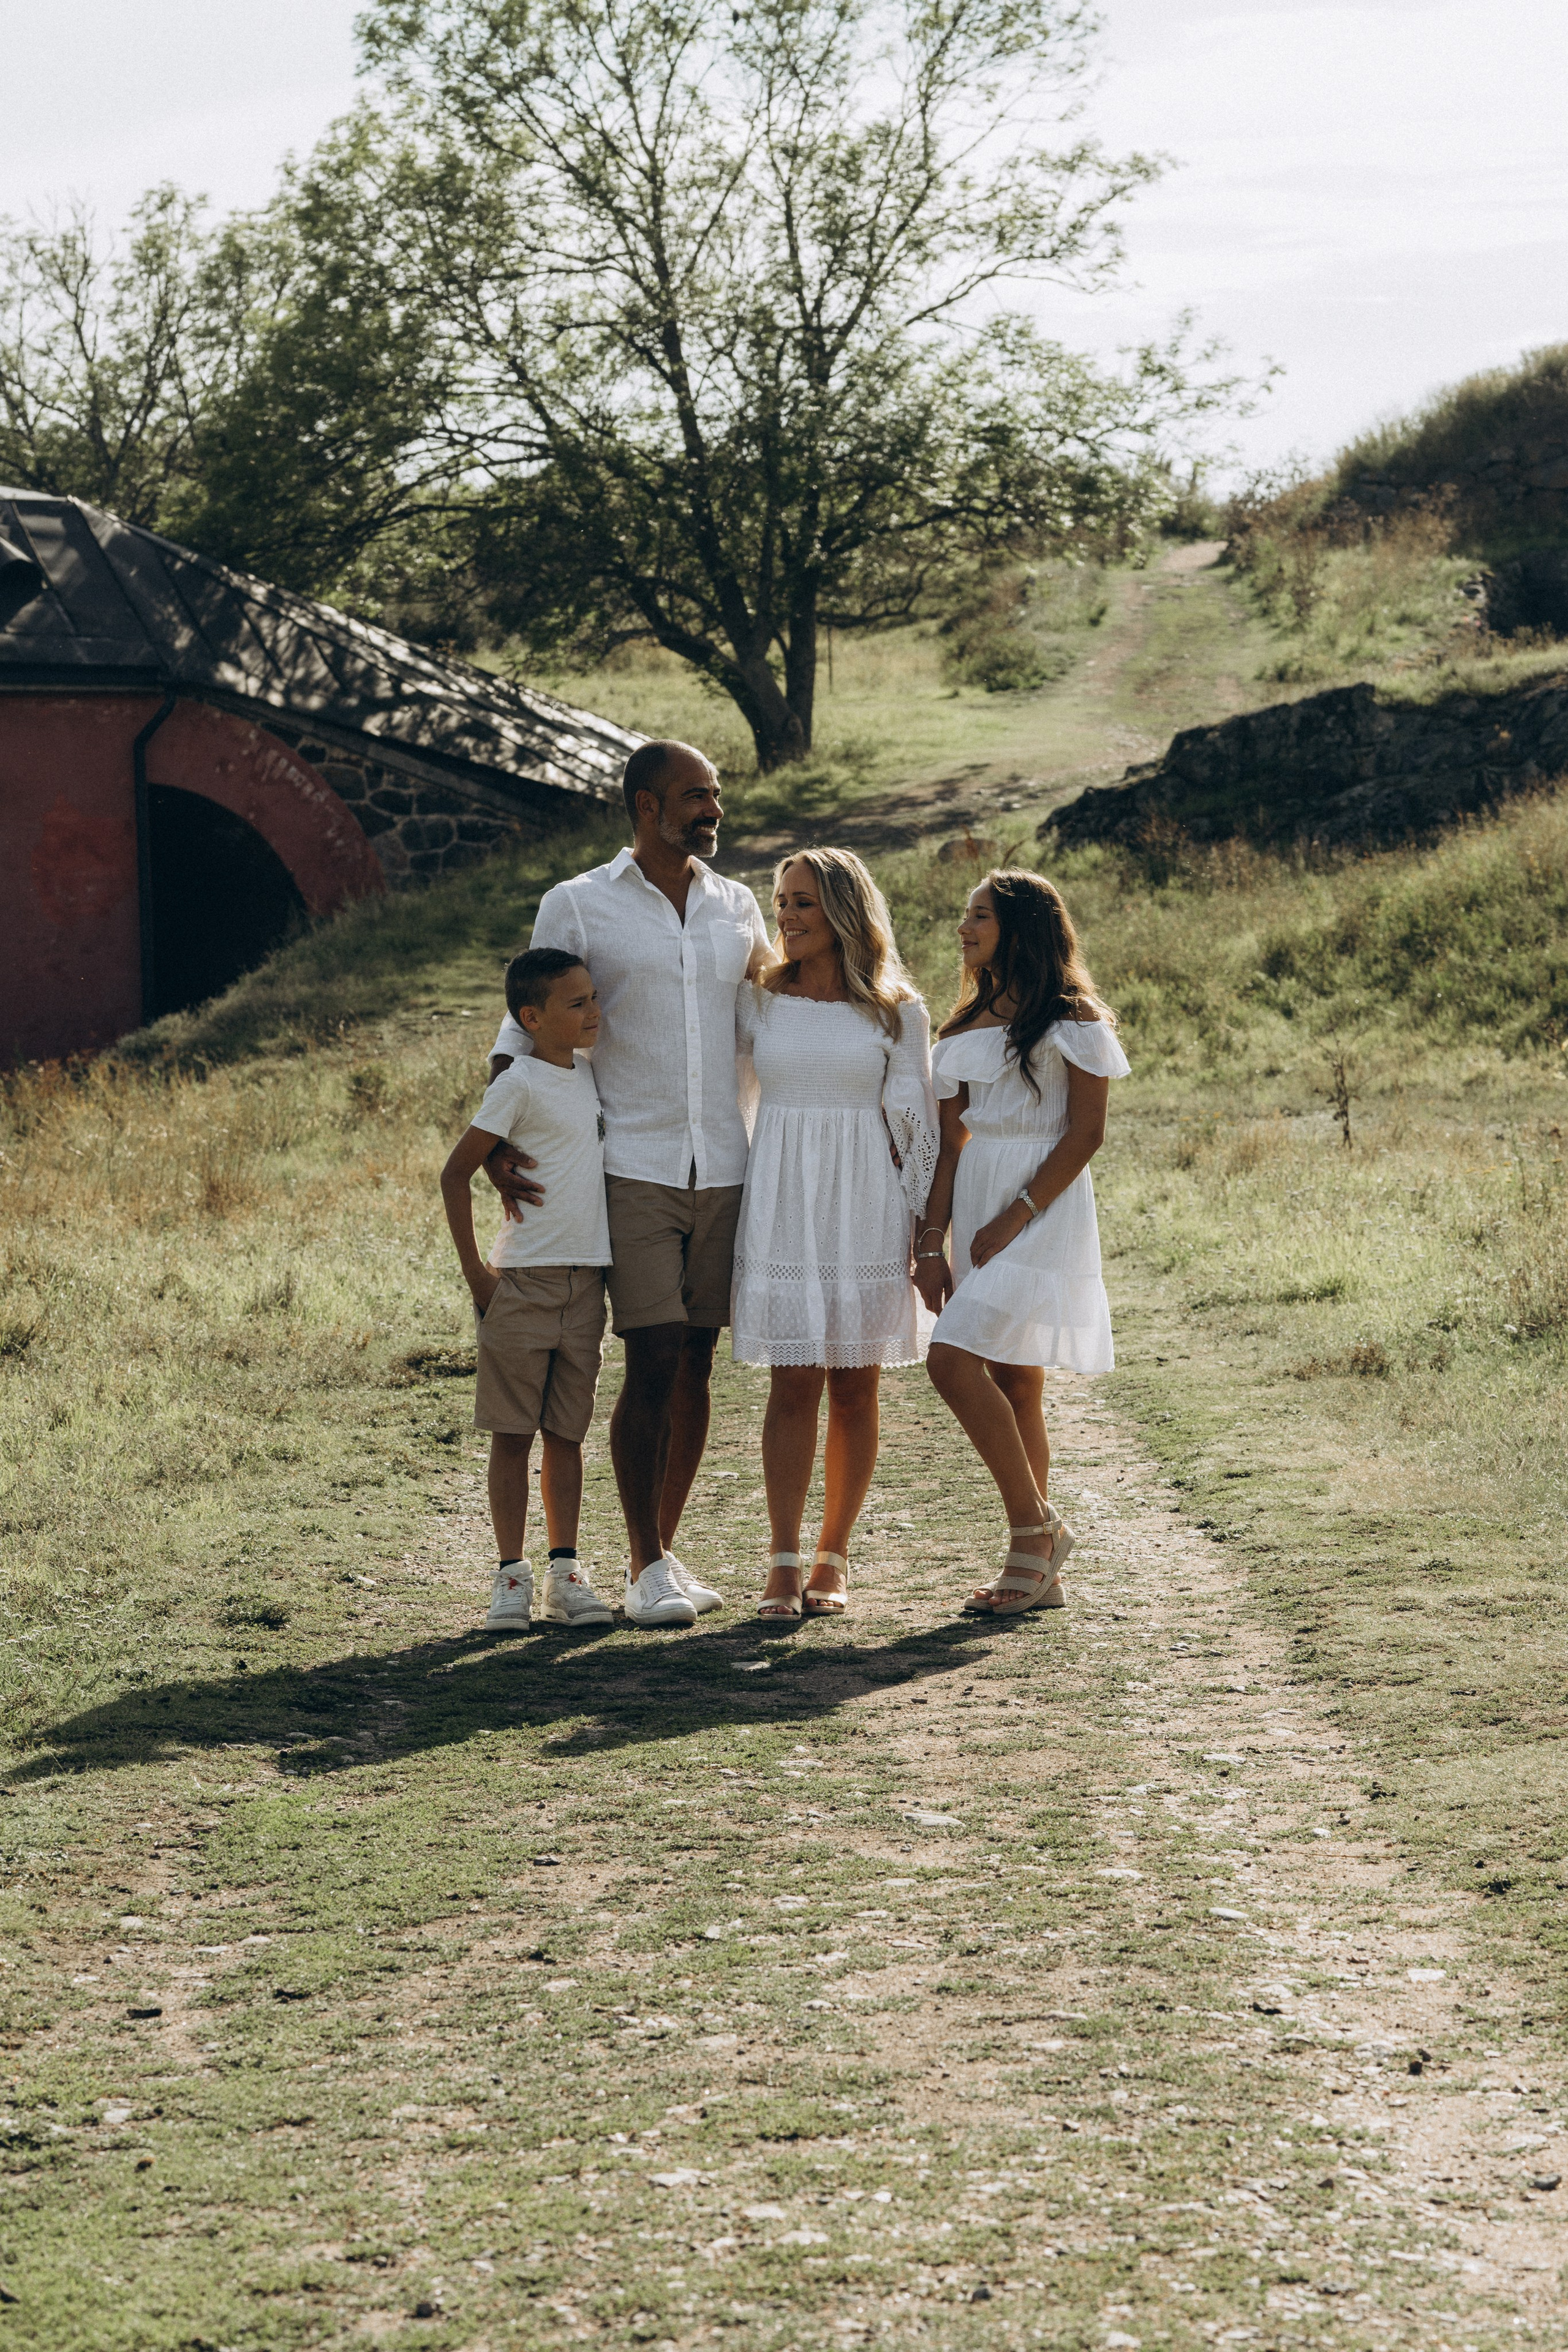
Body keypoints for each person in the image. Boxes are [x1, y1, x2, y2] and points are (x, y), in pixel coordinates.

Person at [486, 741, 771, 1629]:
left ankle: (661, 1556)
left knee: (696, 1361)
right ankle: (645, 1560)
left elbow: (777, 1008)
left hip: (726, 1161)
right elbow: (521, 1024)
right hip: (632, 1165)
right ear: (646, 808)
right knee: (650, 1354)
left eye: (716, 796)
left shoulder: (737, 906)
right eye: (696, 798)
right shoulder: (578, 903)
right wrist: (497, 1140)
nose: (712, 811)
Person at [913, 869, 1129, 1617]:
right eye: (964, 915)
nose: (964, 929)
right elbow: (948, 1145)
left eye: (980, 917)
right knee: (1014, 1383)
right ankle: (1035, 1567)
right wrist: (930, 1240)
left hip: (1041, 1207)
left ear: (1023, 928)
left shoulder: (1072, 1020)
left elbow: (1087, 1132)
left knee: (949, 1360)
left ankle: (1037, 1530)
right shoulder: (961, 1029)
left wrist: (1017, 1213)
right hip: (975, 1201)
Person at [735, 850, 938, 1623]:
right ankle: (782, 1560)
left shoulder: (896, 1012)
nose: (785, 918)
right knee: (793, 1381)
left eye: (803, 906)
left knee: (855, 1386)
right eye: (781, 903)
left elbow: (917, 1132)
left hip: (866, 1204)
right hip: (784, 1200)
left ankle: (833, 1554)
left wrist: (925, 1238)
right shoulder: (756, 1001)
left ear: (845, 913)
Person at [440, 948, 615, 1632]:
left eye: (594, 998)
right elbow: (456, 1174)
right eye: (576, 1004)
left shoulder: (591, 1078)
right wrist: (480, 1281)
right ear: (531, 1018)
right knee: (513, 1436)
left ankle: (564, 1575)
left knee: (566, 1435)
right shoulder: (517, 1084)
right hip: (521, 1283)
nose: (594, 1011)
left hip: (586, 1286)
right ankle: (509, 1577)